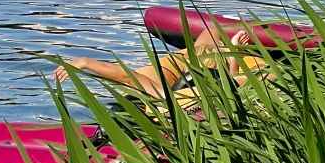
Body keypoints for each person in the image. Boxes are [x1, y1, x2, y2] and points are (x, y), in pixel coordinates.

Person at [54, 23, 267, 104]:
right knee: (209, 36)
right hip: (215, 65)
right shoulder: (225, 91)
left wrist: (84, 62)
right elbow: (238, 82)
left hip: (197, 64)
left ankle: (219, 47)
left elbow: (127, 75)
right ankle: (225, 45)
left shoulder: (170, 99)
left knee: (208, 34)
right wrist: (234, 55)